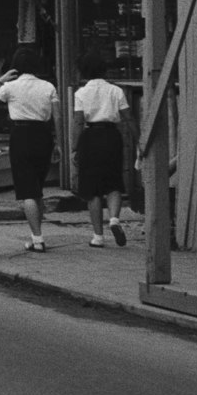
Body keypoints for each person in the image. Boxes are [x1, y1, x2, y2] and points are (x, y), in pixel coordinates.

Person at [0, 47, 58, 252]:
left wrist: (2, 80)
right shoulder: (48, 86)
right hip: (44, 135)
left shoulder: (11, 87)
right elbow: (58, 117)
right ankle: (37, 234)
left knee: (27, 189)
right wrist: (60, 143)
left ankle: (37, 239)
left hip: (20, 135)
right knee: (37, 188)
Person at [72, 51, 133, 248]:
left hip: (90, 137)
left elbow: (78, 122)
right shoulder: (116, 91)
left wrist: (74, 147)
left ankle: (98, 236)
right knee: (113, 181)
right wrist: (140, 140)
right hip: (111, 136)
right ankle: (114, 219)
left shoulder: (81, 93)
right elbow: (128, 117)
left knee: (92, 188)